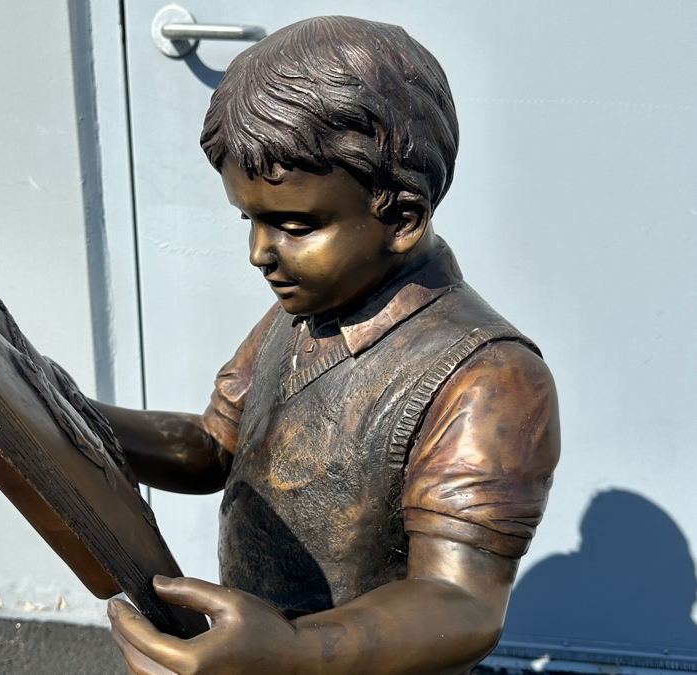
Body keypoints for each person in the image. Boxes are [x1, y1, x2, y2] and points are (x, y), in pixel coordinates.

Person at [97, 16, 560, 675]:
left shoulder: (490, 379)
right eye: (249, 219)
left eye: (292, 225)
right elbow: (210, 448)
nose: (259, 253)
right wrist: (73, 413)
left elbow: (461, 601)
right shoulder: (297, 314)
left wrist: (290, 651)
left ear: (400, 217)